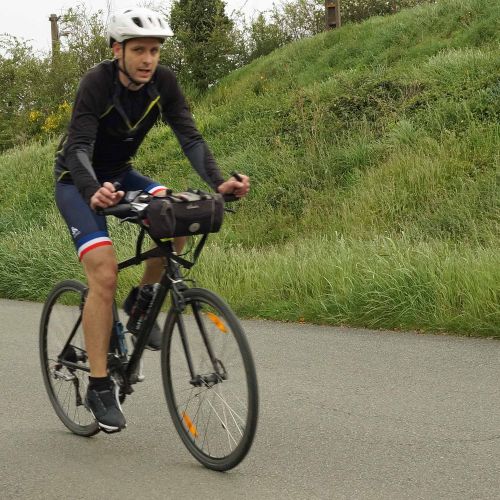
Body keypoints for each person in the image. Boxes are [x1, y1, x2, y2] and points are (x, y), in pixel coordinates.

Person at [54, 7, 250, 433]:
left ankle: (141, 306)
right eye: (139, 50)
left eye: (154, 51)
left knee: (179, 215)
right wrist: (92, 189)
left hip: (122, 174)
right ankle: (100, 386)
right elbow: (78, 147)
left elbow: (190, 137)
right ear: (117, 50)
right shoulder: (96, 83)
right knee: (104, 275)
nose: (148, 59)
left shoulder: (164, 83)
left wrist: (219, 182)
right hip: (77, 182)